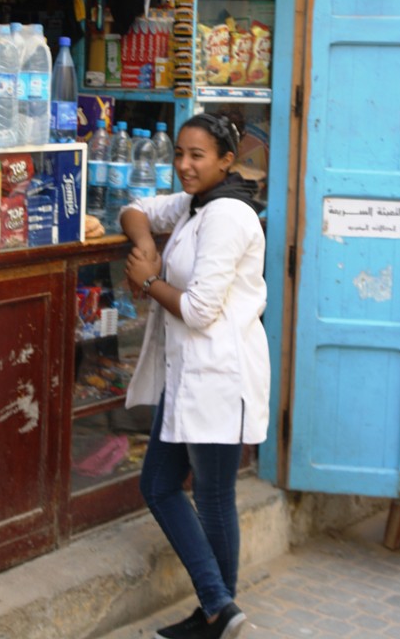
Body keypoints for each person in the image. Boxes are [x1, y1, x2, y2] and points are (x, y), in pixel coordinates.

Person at [120, 113, 270, 639]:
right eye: (178, 153)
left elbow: (202, 310)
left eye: (197, 156)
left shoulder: (227, 215)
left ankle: (217, 609)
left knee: (204, 493)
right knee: (163, 485)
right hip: (186, 377)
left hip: (218, 376)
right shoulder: (193, 204)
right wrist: (147, 244)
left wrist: (149, 280)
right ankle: (219, 612)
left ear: (226, 162)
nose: (183, 165)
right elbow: (135, 207)